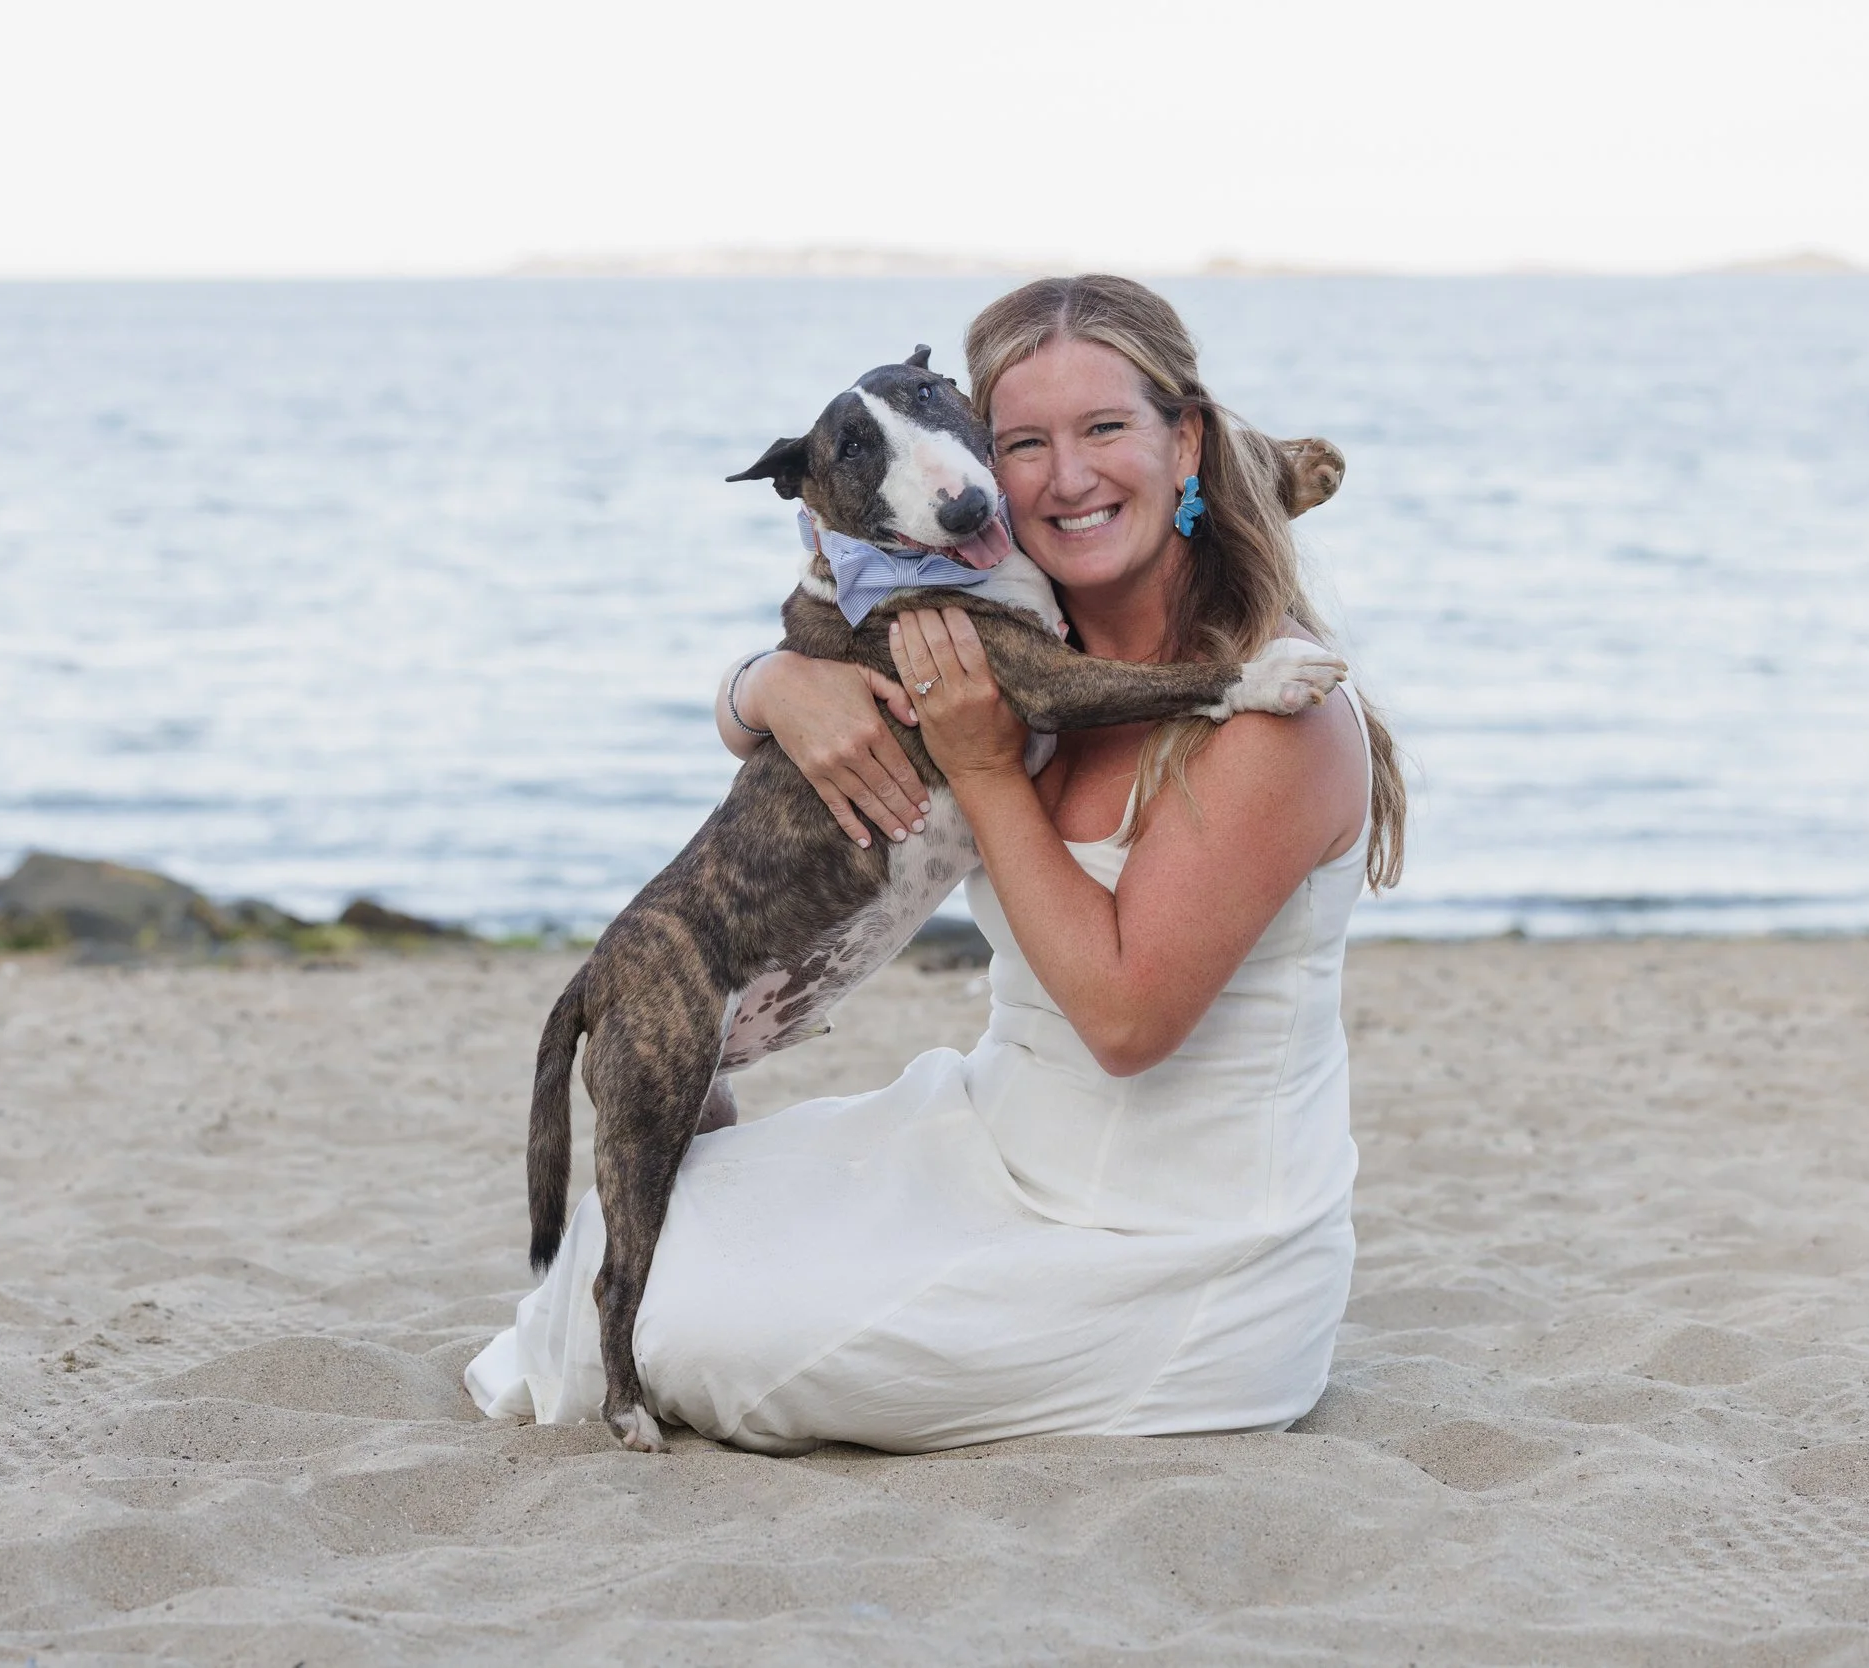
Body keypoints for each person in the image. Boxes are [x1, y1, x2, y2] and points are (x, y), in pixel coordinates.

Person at [466, 274, 1406, 1454]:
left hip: (1172, 1249)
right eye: (1022, 443)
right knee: (611, 1257)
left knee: (681, 1325)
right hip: (987, 1137)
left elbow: (1123, 1022)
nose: (1063, 478)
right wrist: (767, 686)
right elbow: (821, 634)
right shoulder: (1022, 630)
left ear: (1189, 441)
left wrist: (988, 768)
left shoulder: (1280, 715)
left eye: (1105, 430)